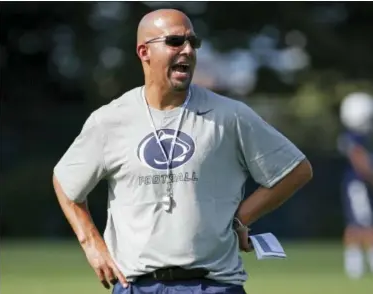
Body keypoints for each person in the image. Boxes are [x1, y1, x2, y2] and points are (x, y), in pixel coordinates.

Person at [52, 8, 313, 294]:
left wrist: (242, 218)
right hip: (137, 286)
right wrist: (92, 244)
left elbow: (295, 170)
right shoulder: (110, 120)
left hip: (214, 285)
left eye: (193, 42)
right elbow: (66, 182)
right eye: (175, 41)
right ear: (144, 51)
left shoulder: (229, 115)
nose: (188, 50)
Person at [338, 92, 373, 279]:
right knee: (365, 223)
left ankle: (354, 266)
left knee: (355, 224)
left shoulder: (350, 136)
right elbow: (359, 160)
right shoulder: (354, 138)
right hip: (358, 185)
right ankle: (358, 266)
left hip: (354, 184)